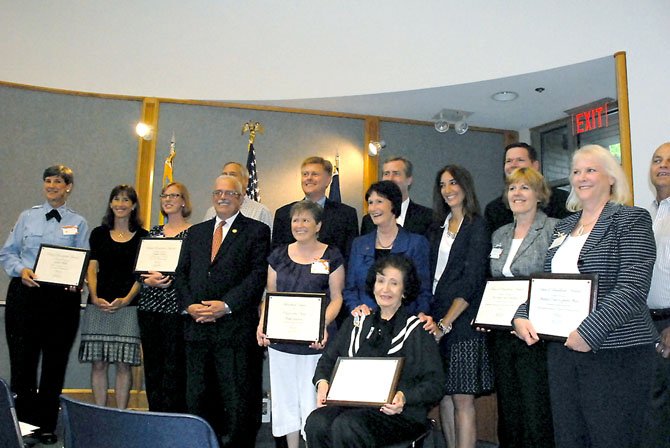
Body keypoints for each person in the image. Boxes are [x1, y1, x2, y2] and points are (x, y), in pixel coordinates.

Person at [513, 145, 658, 448]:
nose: (582, 177)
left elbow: (632, 286)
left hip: (617, 352)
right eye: (576, 171)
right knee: (569, 436)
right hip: (564, 353)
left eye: (591, 169)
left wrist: (589, 332)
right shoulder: (564, 226)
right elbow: (547, 282)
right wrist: (523, 313)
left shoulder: (631, 219)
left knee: (613, 437)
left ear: (611, 177)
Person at [304, 254, 445, 447]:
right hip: (353, 406)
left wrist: (404, 397)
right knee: (316, 422)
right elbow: (327, 361)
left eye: (394, 283)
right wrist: (322, 383)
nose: (385, 289)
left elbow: (435, 383)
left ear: (404, 291)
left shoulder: (418, 329)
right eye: (380, 281)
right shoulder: (356, 322)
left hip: (399, 414)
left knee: (348, 425)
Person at [175, 174, 270, 448]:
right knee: (198, 396)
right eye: (217, 192)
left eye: (229, 193)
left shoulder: (257, 230)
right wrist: (189, 305)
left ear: (241, 197)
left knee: (237, 397)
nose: (222, 197)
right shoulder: (197, 232)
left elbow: (256, 275)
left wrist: (226, 306)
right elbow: (181, 273)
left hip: (234, 330)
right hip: (196, 327)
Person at [0, 165, 89, 445]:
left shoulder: (79, 222)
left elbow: (82, 259)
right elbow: (7, 253)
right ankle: (24, 428)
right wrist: (20, 270)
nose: (52, 186)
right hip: (25, 295)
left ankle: (46, 426)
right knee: (23, 365)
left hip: (61, 301)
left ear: (68, 187)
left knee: (54, 364)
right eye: (48, 181)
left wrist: (78, 280)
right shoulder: (27, 217)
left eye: (58, 181)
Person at [256, 200, 344, 448]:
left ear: (318, 225)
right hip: (281, 344)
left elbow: (337, 298)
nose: (300, 224)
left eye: (306, 220)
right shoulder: (278, 256)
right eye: (296, 220)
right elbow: (269, 297)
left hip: (316, 343)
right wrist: (263, 325)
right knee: (285, 401)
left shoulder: (331, 255)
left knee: (312, 399)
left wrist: (321, 325)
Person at [422, 165, 494, 448]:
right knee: (445, 397)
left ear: (465, 186)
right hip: (437, 317)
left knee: (463, 398)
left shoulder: (477, 224)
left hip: (463, 322)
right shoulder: (437, 226)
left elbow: (472, 278)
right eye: (442, 185)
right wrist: (435, 322)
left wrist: (446, 323)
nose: (448, 190)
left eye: (453, 183)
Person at [488, 167, 555, 448]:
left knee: (535, 405)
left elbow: (553, 278)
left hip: (535, 331)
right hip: (502, 332)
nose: (517, 193)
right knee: (508, 405)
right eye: (513, 188)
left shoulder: (553, 228)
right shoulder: (500, 234)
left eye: (525, 187)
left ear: (539, 195)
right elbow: (494, 279)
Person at [78, 185, 148, 409]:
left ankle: (120, 414)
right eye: (116, 199)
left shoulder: (143, 236)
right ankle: (100, 413)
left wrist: (126, 299)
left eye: (125, 200)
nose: (120, 204)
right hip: (98, 306)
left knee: (123, 364)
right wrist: (95, 296)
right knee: (98, 364)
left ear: (133, 205)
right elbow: (92, 267)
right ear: (110, 204)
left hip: (128, 308)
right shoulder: (98, 233)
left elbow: (142, 274)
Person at [137, 182, 192, 413]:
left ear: (183, 201)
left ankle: (173, 418)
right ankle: (155, 414)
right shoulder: (153, 232)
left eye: (174, 195)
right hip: (149, 308)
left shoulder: (193, 234)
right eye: (164, 196)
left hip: (176, 309)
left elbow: (193, 272)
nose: (168, 199)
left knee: (174, 367)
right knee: (152, 366)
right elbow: (139, 269)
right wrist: (145, 279)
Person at [344, 180, 431, 316]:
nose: (372, 208)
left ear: (393, 205)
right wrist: (356, 307)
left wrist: (420, 315)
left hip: (404, 322)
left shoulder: (416, 243)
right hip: (365, 321)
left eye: (379, 201)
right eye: (370, 202)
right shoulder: (359, 244)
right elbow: (350, 289)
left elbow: (423, 291)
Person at [272, 156, 358, 261]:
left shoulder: (346, 215)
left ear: (328, 180)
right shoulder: (283, 214)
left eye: (315, 174)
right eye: (305, 174)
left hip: (333, 275)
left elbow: (350, 257)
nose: (309, 178)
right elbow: (276, 257)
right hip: (291, 275)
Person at [644, 142, 670, 447]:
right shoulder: (642, 214)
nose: (662, 165)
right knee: (652, 410)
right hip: (645, 323)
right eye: (656, 160)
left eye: (669, 161)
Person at [484, 142, 570, 233]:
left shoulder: (562, 200)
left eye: (520, 160)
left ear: (535, 166)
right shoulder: (494, 209)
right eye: (508, 161)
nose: (513, 165)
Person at [360, 156, 433, 236]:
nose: (390, 179)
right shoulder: (368, 220)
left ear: (409, 180)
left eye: (396, 173)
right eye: (386, 173)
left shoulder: (427, 217)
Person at [202, 161, 273, 231]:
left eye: (232, 175)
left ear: (245, 181)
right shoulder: (211, 212)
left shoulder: (260, 211)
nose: (228, 178)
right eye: (224, 175)